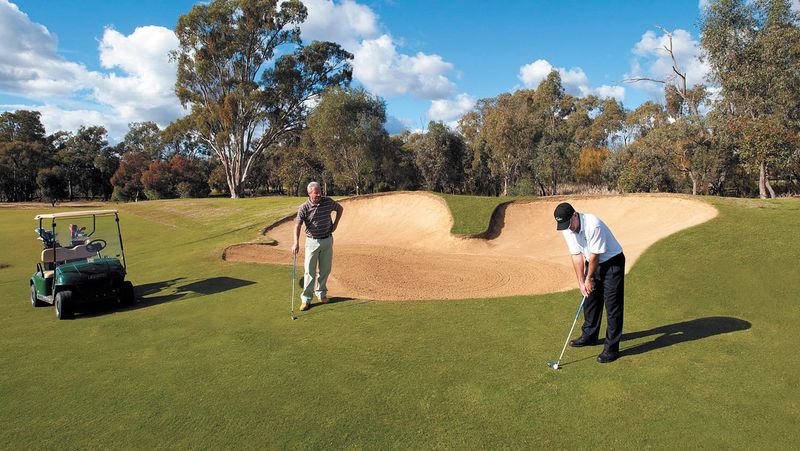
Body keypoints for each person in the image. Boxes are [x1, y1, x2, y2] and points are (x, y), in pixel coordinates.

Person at [554, 202, 626, 363]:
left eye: (569, 223)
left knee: (612, 306)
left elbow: (595, 256)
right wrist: (581, 282)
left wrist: (589, 278)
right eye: (564, 225)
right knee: (590, 299)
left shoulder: (594, 225)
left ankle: (612, 348)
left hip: (612, 263)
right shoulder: (567, 228)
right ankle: (589, 335)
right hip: (591, 261)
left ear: (574, 215)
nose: (568, 227)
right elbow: (576, 255)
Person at [292, 182, 343, 311]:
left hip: (327, 240)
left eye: (320, 192)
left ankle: (321, 294)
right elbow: (297, 225)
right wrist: (296, 242)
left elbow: (339, 209)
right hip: (312, 242)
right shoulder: (304, 207)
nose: (319, 194)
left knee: (325, 270)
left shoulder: (327, 202)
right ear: (309, 194)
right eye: (316, 193)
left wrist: (335, 224)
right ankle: (306, 299)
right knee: (309, 272)